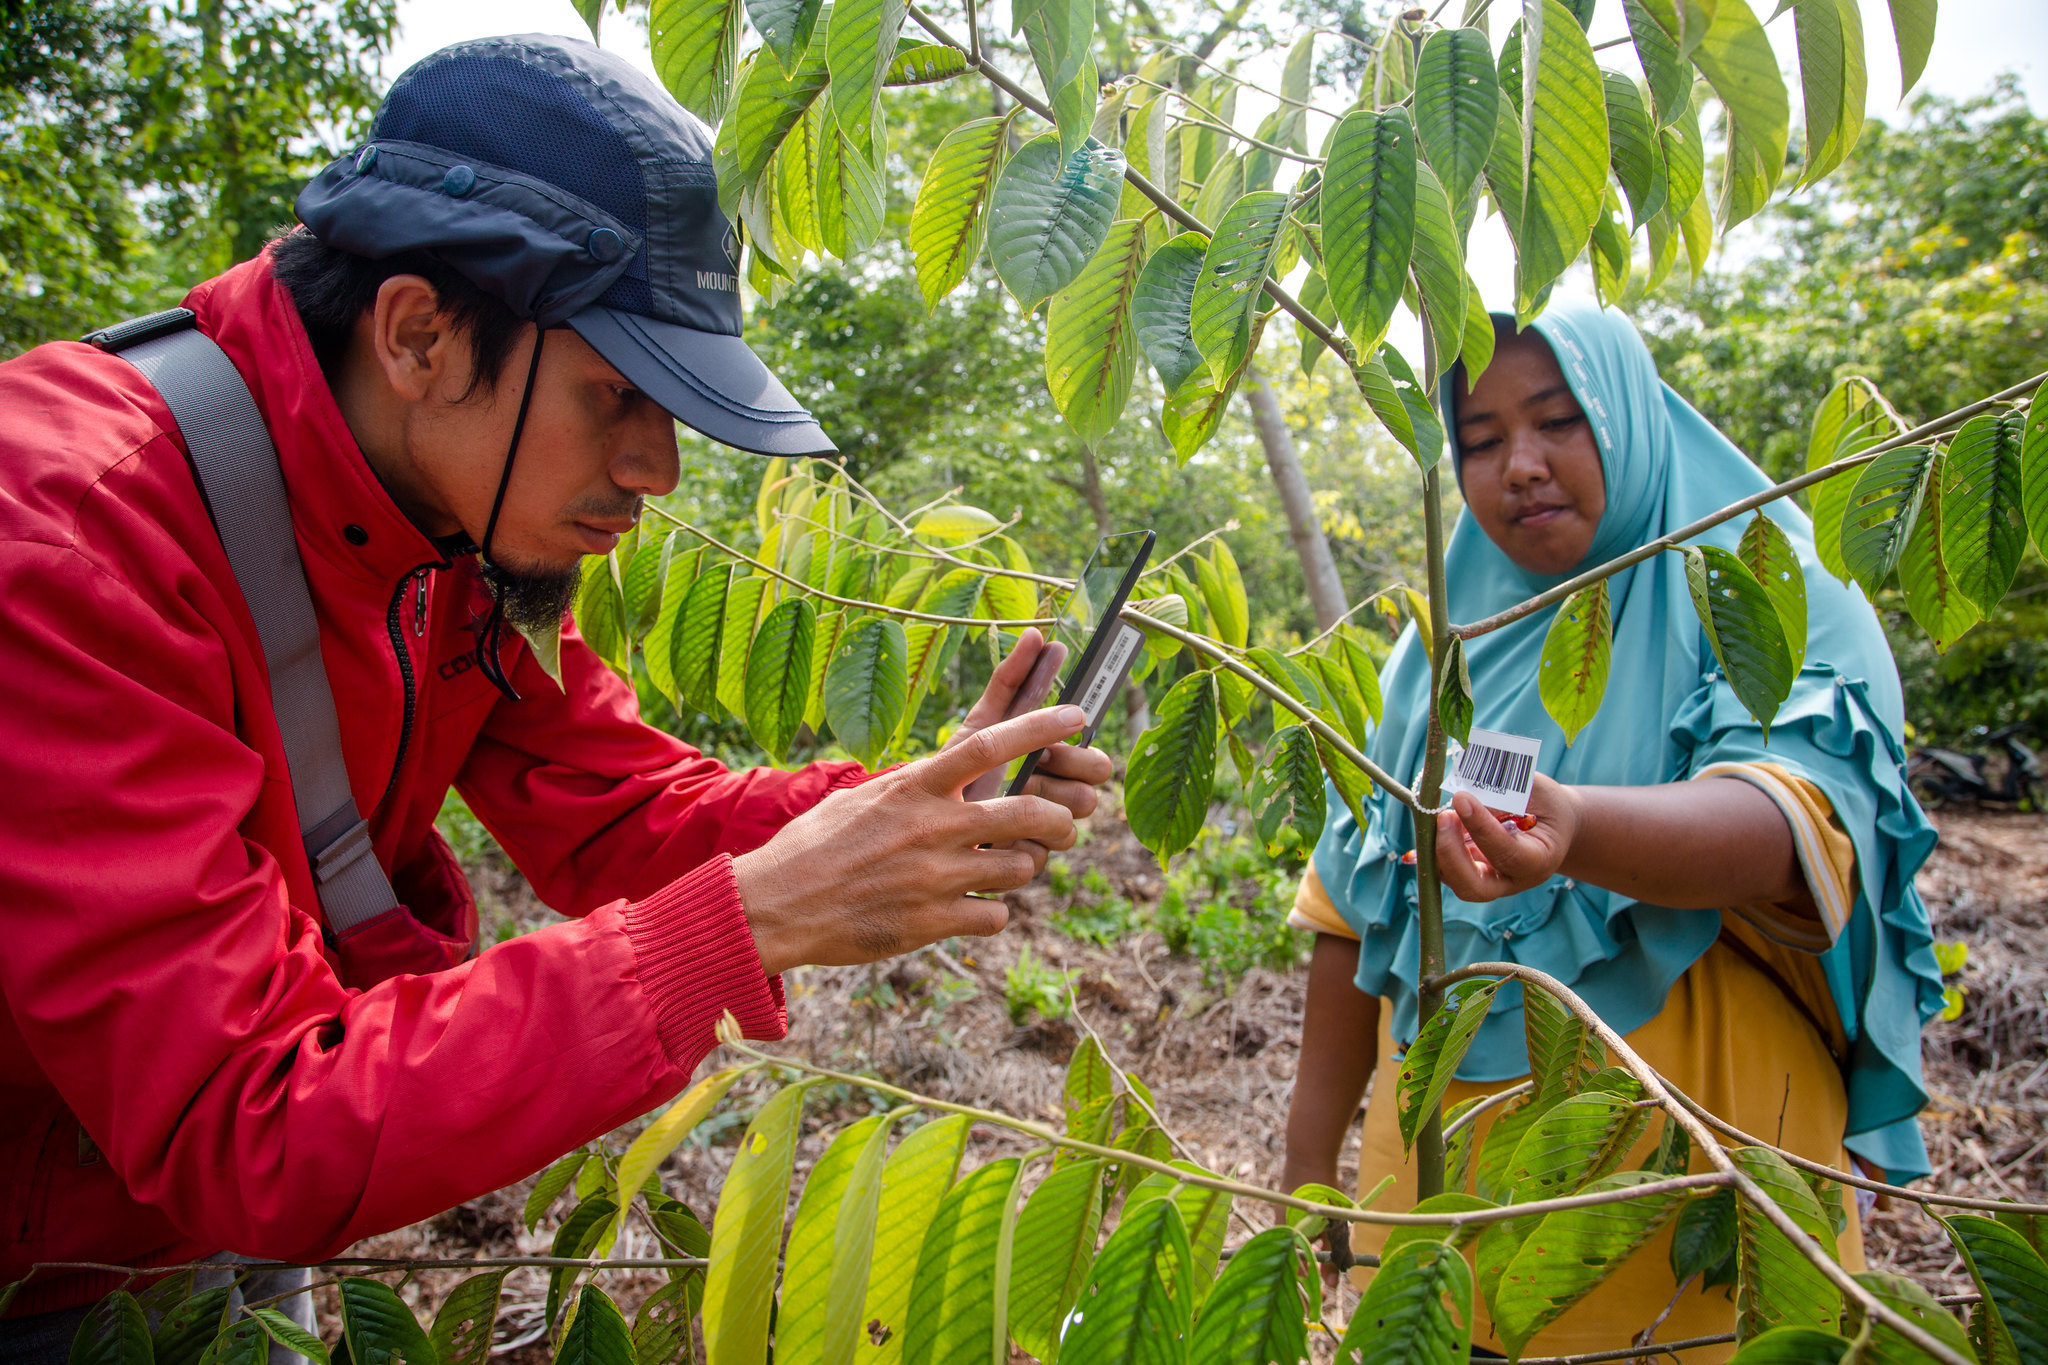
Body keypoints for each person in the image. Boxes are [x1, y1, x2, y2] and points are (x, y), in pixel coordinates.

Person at [0, 33, 1111, 1343]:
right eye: (615, 395)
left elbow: (618, 812)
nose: (658, 468)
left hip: (194, 1231)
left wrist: (904, 812)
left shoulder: (454, 526)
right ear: (419, 333)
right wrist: (741, 927)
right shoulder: (68, 538)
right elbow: (252, 1118)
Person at [1281, 300, 1945, 1360]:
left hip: (1697, 1205)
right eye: (1481, 440)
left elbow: (1786, 820)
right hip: (1441, 1221)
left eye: (1557, 421)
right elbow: (1350, 913)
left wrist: (1577, 826)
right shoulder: (1437, 656)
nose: (1520, 466)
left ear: (1627, 419)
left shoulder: (1770, 595)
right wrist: (1304, 1171)